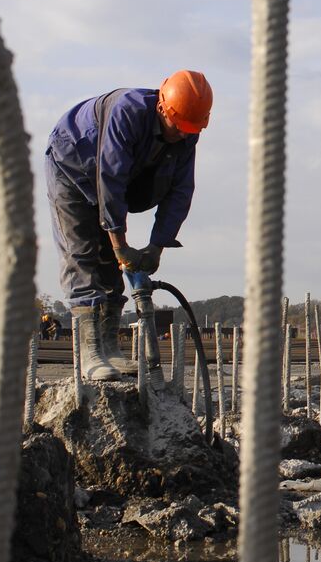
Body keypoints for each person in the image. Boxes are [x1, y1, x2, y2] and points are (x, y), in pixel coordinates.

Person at [45, 70, 212, 381]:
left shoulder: (187, 132)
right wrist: (120, 243)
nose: (184, 136)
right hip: (72, 167)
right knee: (82, 253)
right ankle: (91, 352)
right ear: (163, 108)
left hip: (114, 178)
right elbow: (111, 178)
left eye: (191, 130)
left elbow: (181, 190)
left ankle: (109, 348)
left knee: (110, 268)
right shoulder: (128, 112)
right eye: (179, 128)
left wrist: (157, 246)